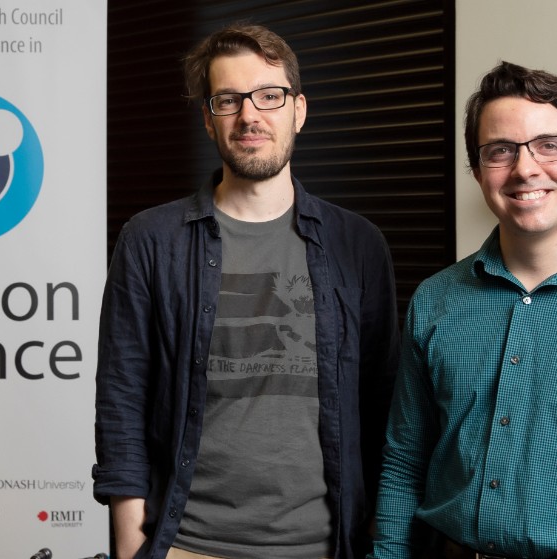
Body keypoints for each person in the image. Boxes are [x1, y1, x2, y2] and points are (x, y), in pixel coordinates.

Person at [92, 21, 399, 559]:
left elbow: (382, 406)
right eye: (228, 100)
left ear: (299, 110)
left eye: (269, 96)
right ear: (209, 121)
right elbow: (123, 395)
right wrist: (130, 545)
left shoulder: (359, 244)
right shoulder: (151, 240)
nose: (249, 115)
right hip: (188, 545)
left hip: (325, 546)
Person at [371, 61, 557, 558]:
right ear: (478, 172)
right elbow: (405, 462)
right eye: (500, 151)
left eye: (551, 145)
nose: (526, 168)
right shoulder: (436, 299)